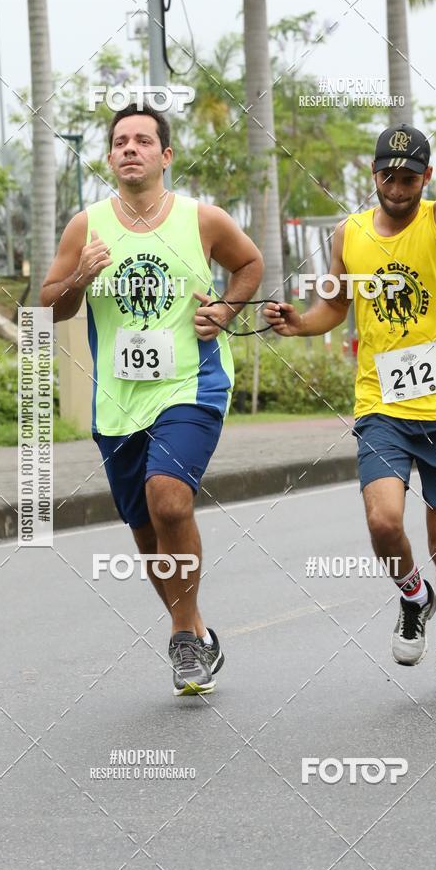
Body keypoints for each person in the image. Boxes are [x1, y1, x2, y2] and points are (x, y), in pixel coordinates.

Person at [264, 78, 436, 693]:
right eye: (387, 177)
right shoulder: (348, 233)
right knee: (381, 523)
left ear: (425, 178)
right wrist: (300, 324)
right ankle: (412, 595)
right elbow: (333, 307)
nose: (397, 189)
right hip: (384, 405)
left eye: (409, 178)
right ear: (374, 176)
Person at [41, 103, 263, 696]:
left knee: (168, 503)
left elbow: (249, 264)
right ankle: (194, 629)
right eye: (120, 142)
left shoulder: (202, 219)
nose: (130, 149)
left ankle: (183, 638)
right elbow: (49, 306)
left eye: (143, 140)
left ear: (166, 156)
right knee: (145, 533)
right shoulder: (84, 227)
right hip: (117, 402)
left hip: (191, 385)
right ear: (110, 157)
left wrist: (226, 308)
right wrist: (81, 279)